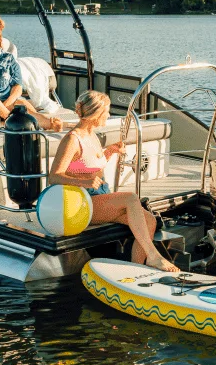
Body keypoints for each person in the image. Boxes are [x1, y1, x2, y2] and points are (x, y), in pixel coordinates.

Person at [48, 90, 178, 272]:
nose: (108, 115)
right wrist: (85, 183)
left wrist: (109, 152)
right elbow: (54, 176)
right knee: (131, 198)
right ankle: (154, 257)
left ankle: (136, 269)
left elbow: (89, 166)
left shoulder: (92, 135)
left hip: (99, 196)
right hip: (82, 202)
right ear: (96, 113)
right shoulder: (72, 139)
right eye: (106, 111)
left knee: (149, 220)